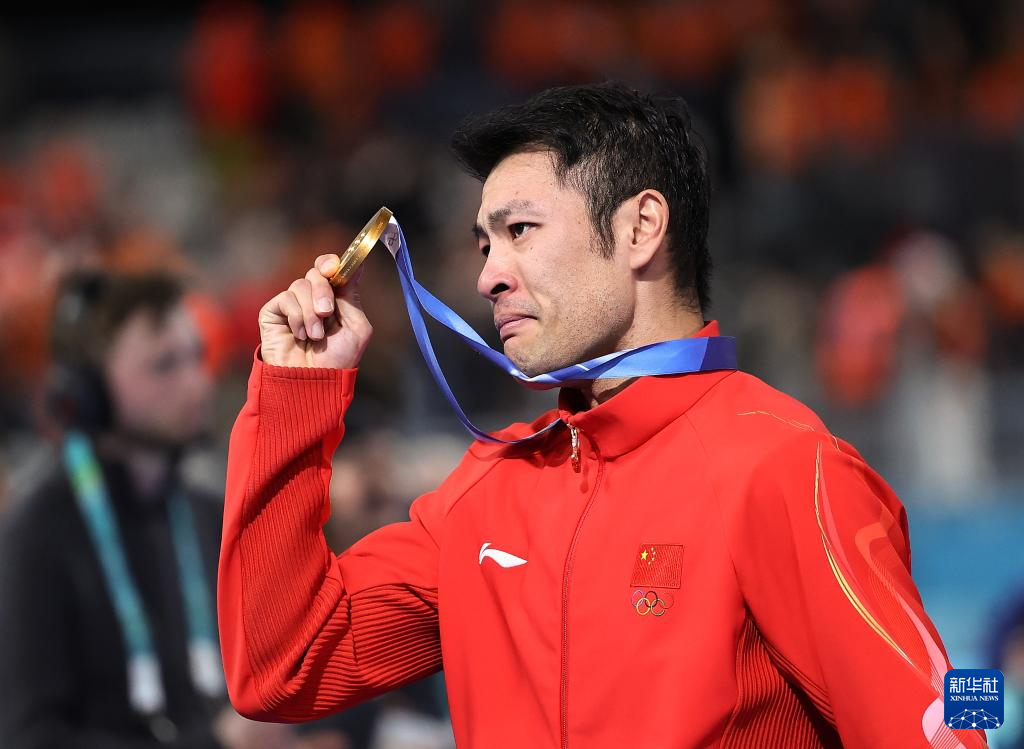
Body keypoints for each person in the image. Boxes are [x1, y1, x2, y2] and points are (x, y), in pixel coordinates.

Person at [217, 83, 987, 748]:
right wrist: (295, 395)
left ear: (640, 228)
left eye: (520, 231)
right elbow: (281, 666)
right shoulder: (486, 489)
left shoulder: (783, 466)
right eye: (484, 244)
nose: (488, 276)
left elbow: (949, 719)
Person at [0, 271, 319, 749]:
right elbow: (31, 739)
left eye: (196, 356)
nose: (198, 383)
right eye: (164, 365)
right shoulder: (37, 536)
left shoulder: (211, 515)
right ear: (89, 394)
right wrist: (215, 744)